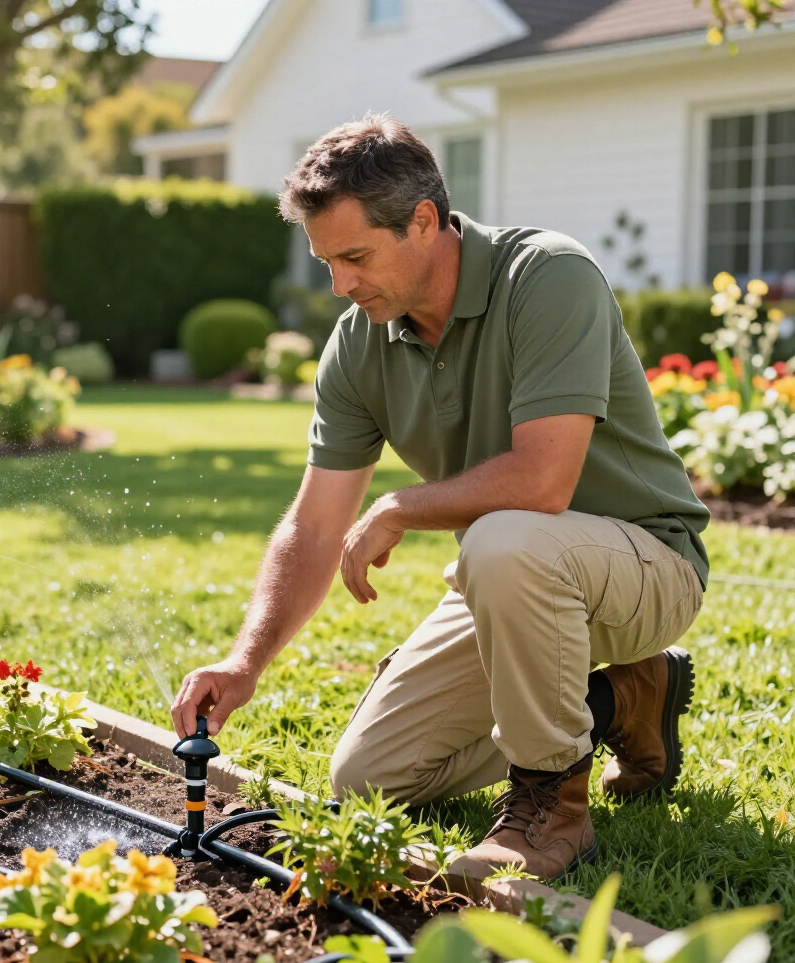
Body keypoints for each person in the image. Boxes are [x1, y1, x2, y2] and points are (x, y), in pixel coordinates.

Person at [171, 114, 708, 885]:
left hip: (644, 562)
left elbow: (543, 482)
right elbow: (317, 523)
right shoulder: (360, 341)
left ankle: (552, 808)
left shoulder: (547, 276)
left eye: (355, 257)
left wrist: (400, 507)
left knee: (501, 542)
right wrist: (246, 659)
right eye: (327, 262)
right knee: (370, 779)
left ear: (423, 221)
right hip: (517, 578)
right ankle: (622, 695)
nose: (340, 286)